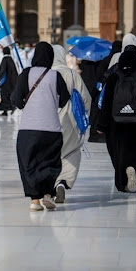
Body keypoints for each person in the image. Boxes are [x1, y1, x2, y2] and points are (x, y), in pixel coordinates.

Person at [11, 42, 71, 211]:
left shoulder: (25, 74)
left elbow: (15, 99)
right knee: (50, 162)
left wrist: (25, 104)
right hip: (51, 128)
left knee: (29, 163)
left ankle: (35, 201)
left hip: (28, 129)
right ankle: (47, 194)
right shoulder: (55, 75)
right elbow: (64, 98)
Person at [98, 50, 136, 192]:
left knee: (118, 151)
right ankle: (133, 171)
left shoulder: (114, 76)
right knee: (135, 149)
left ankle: (122, 182)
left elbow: (106, 102)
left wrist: (102, 124)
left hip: (116, 121)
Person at [51, 45, 92, 203]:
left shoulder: (46, 74)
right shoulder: (72, 74)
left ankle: (52, 184)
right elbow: (86, 98)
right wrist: (86, 114)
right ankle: (62, 182)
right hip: (71, 121)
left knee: (51, 153)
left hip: (50, 119)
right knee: (71, 151)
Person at [0, 47, 18, 116]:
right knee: (9, 95)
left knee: (4, 96)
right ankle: (9, 108)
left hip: (5, 82)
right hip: (12, 82)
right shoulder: (11, 59)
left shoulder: (5, 59)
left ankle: (7, 109)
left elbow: (2, 71)